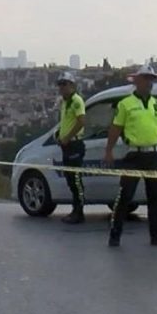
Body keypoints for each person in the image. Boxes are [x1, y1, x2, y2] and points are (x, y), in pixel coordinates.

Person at [103, 66, 157, 247]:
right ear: (137, 81)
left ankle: (156, 235)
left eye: (151, 79)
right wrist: (109, 150)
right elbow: (115, 128)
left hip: (154, 154)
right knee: (124, 197)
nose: (149, 83)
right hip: (134, 155)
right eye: (146, 79)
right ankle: (115, 234)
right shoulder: (125, 104)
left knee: (154, 198)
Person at [56, 73, 87, 223]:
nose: (62, 88)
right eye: (60, 85)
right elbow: (66, 122)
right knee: (70, 179)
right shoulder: (64, 102)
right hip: (66, 145)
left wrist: (68, 137)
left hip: (74, 144)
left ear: (72, 85)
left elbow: (81, 122)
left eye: (65, 84)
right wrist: (59, 134)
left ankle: (79, 211)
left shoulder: (76, 101)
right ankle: (75, 209)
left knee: (75, 180)